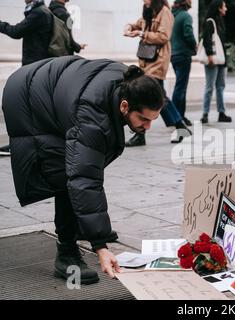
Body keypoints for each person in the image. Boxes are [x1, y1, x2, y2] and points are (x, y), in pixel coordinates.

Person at [2, 56, 165, 284]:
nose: (147, 127)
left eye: (153, 120)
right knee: (64, 171)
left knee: (77, 165)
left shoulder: (131, 84)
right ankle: (66, 252)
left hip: (51, 85)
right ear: (124, 106)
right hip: (27, 98)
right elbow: (84, 177)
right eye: (143, 119)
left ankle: (80, 227)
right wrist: (100, 245)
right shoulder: (92, 114)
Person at [124, 0, 191, 145]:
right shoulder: (149, 11)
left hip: (158, 60)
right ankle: (180, 126)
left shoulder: (165, 12)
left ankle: (141, 134)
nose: (144, 1)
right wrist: (129, 27)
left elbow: (164, 36)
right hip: (146, 60)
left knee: (153, 94)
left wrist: (142, 34)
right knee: (158, 95)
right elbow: (139, 23)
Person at [0, 0, 53, 157]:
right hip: (38, 66)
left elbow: (16, 31)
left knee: (26, 106)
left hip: (33, 66)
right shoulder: (43, 11)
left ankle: (20, 146)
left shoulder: (38, 13)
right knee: (32, 106)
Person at [200, 0, 232, 124]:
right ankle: (205, 114)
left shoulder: (219, 21)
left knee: (220, 87)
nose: (226, 8)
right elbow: (207, 39)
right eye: (224, 6)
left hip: (221, 59)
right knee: (210, 87)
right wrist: (210, 55)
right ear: (219, 8)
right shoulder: (210, 22)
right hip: (213, 58)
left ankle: (221, 112)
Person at [170, 0, 197, 127]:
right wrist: (195, 45)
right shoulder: (186, 16)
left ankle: (180, 116)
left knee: (180, 86)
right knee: (180, 87)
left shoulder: (172, 15)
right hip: (183, 54)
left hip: (173, 54)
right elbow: (188, 34)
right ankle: (177, 118)